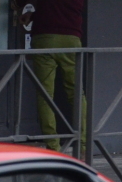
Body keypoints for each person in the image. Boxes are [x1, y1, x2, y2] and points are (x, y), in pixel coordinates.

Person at [14, 0, 89, 152]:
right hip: (71, 38)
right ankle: (83, 146)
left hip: (45, 37)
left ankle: (53, 146)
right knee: (76, 93)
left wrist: (27, 10)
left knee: (45, 95)